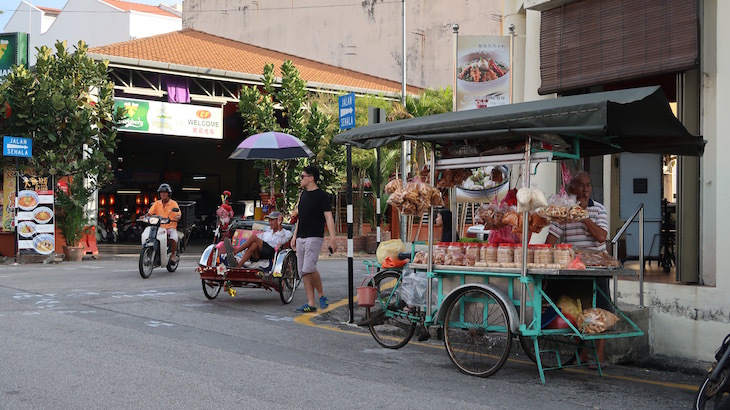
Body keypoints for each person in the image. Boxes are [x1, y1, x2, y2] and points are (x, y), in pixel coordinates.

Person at [546, 171, 609, 368]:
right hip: (574, 268)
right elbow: (551, 240)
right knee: (574, 311)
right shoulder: (564, 212)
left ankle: (598, 356)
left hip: (597, 267)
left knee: (600, 310)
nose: (585, 190)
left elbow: (601, 237)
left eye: (588, 186)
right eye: (581, 186)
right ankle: (581, 353)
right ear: (572, 189)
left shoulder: (598, 210)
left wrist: (583, 216)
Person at [291, 165, 338, 313]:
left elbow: (328, 217)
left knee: (309, 268)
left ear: (311, 178)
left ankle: (321, 294)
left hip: (314, 236)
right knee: (303, 271)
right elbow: (300, 217)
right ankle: (311, 303)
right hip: (301, 237)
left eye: (302, 176)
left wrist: (333, 238)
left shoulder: (322, 196)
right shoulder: (302, 195)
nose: (300, 179)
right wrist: (294, 236)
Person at [224, 211, 292, 268]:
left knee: (254, 238)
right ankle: (238, 266)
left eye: (272, 220)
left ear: (278, 221)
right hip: (260, 253)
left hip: (272, 252)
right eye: (269, 220)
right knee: (254, 244)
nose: (270, 223)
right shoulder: (268, 232)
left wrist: (279, 227)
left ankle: (235, 251)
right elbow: (259, 239)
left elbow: (282, 241)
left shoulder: (286, 232)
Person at [146, 183, 182, 265]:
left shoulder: (173, 203)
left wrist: (178, 217)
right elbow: (150, 213)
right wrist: (145, 217)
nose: (163, 194)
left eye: (165, 192)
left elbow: (178, 214)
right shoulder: (156, 203)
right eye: (162, 192)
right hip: (159, 227)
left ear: (169, 194)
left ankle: (173, 256)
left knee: (174, 238)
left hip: (170, 227)